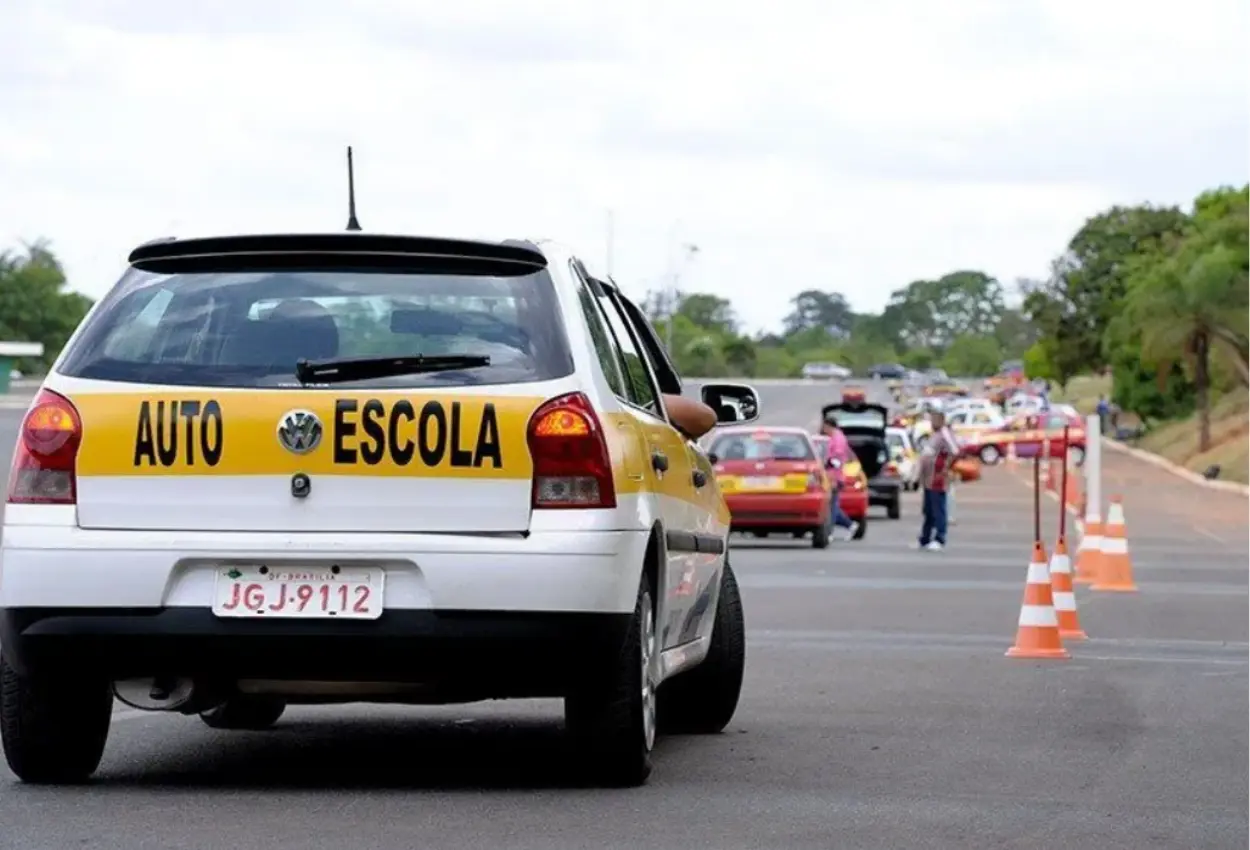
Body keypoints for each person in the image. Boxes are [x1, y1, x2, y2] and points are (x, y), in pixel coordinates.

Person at [915, 410, 956, 551]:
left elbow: (954, 451)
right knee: (928, 510)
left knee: (938, 508)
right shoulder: (934, 435)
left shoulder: (945, 434)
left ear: (941, 420)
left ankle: (940, 538)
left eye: (935, 420)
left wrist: (946, 468)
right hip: (927, 478)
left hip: (937, 478)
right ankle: (924, 539)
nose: (932, 423)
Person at [821, 415, 860, 540]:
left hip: (834, 477)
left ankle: (830, 532)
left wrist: (827, 463)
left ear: (828, 426)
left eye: (824, 426)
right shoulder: (834, 437)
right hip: (831, 476)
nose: (823, 429)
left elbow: (837, 456)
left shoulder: (838, 438)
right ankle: (850, 525)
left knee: (832, 507)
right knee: (833, 506)